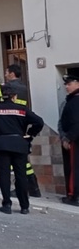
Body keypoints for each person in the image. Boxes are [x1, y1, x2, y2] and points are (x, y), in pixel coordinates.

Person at [0, 64, 41, 197]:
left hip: (5, 127)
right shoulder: (24, 88)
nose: (5, 75)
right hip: (20, 126)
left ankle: (19, 191)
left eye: (6, 72)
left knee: (10, 163)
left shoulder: (6, 87)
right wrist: (31, 134)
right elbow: (36, 120)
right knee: (22, 161)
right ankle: (33, 187)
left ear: (11, 74)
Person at [0, 84, 44, 214]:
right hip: (19, 144)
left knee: (4, 175)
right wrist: (30, 135)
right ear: (14, 97)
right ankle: (24, 206)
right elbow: (39, 122)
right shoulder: (22, 109)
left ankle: (6, 205)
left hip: (0, 145)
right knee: (21, 175)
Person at [59, 71, 79, 206]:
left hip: (75, 140)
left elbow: (76, 122)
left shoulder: (76, 100)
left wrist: (68, 138)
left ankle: (73, 196)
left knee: (74, 168)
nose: (66, 87)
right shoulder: (72, 99)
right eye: (65, 84)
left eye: (69, 84)